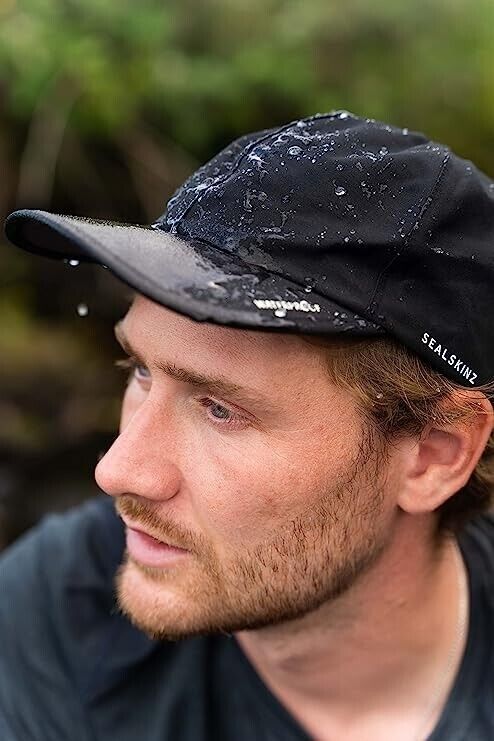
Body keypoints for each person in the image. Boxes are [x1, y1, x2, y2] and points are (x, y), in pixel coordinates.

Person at [2, 111, 494, 741]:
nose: (117, 471)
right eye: (141, 369)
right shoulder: (55, 613)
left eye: (220, 409)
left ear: (434, 455)